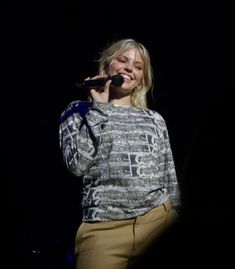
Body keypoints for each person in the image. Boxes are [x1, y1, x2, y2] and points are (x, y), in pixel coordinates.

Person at [59, 38, 181, 269]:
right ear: (107, 67)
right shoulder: (79, 111)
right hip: (104, 229)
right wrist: (100, 109)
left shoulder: (154, 119)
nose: (129, 68)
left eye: (138, 66)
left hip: (157, 222)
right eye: (123, 60)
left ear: (142, 79)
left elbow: (168, 174)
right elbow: (77, 166)